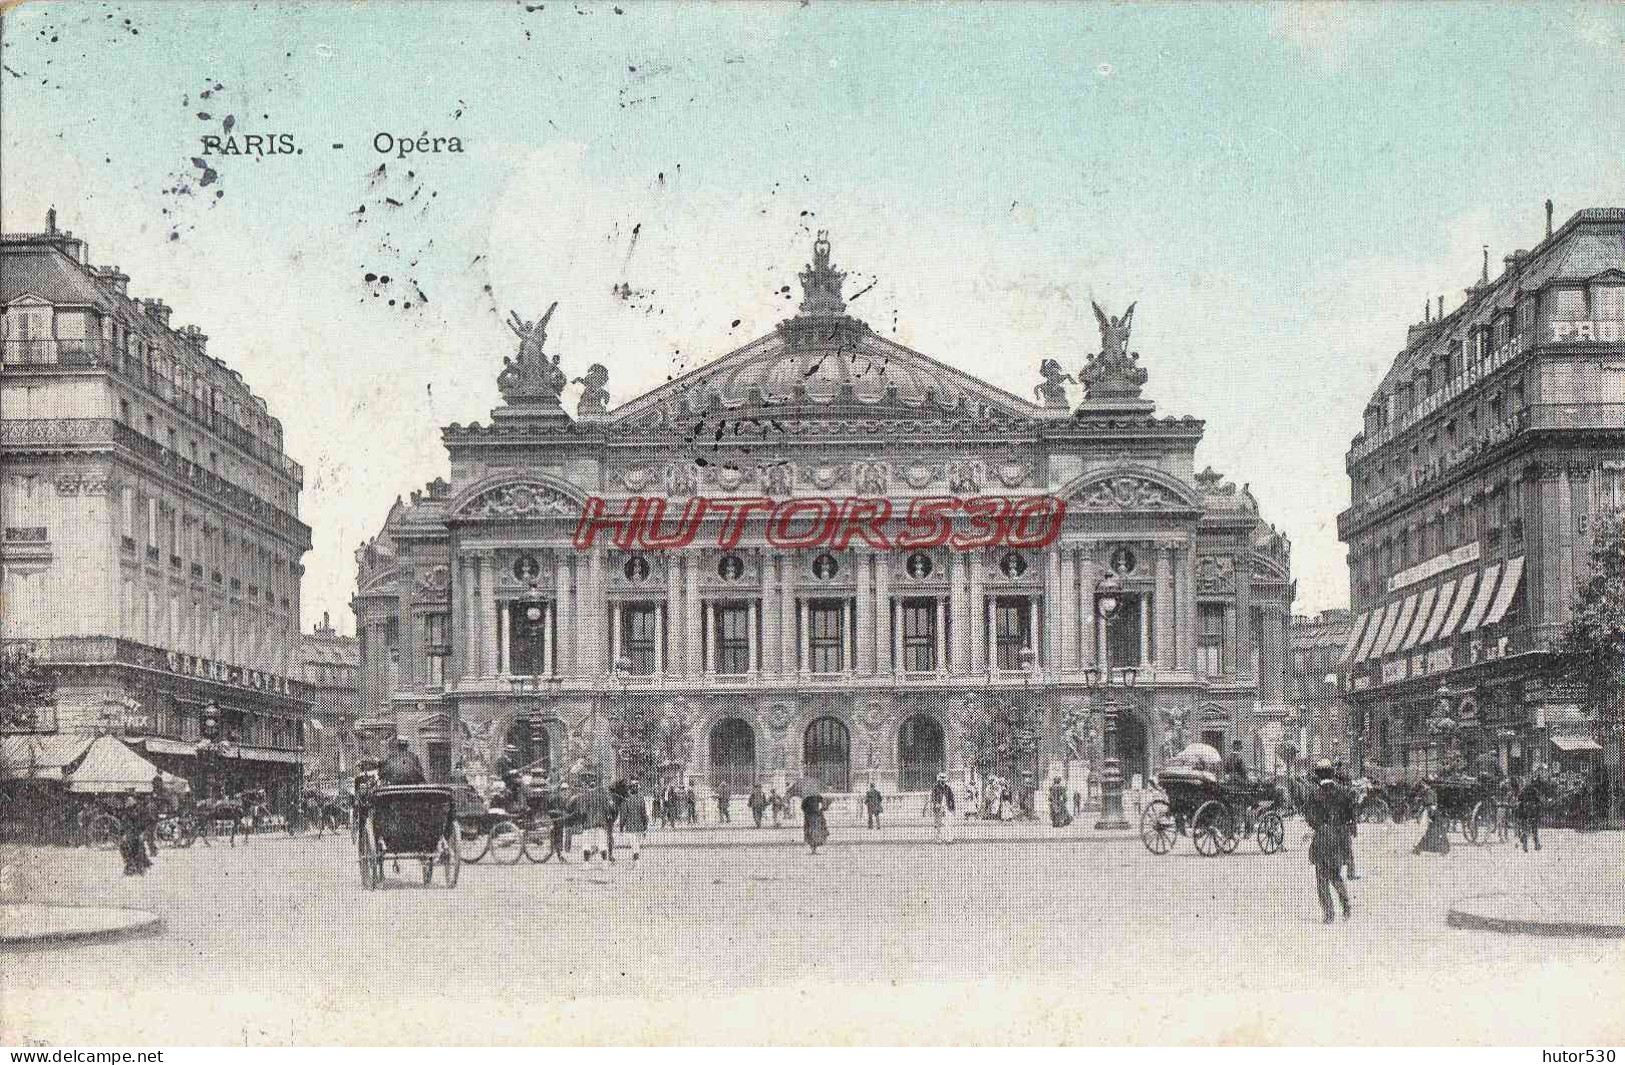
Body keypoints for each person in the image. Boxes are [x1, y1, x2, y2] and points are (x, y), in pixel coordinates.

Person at [1304, 760, 1353, 922]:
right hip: (1339, 838)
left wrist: (1320, 825)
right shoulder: (1344, 792)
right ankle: (1346, 907)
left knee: (1322, 878)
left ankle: (1328, 914)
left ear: (1318, 776)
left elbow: (1310, 817)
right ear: (1333, 774)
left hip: (1323, 838)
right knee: (1336, 875)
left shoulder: (1315, 794)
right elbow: (1350, 816)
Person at [574, 771, 617, 862]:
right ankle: (605, 863)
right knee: (602, 843)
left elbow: (581, 811)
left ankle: (586, 864)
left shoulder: (584, 797)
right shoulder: (603, 795)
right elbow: (611, 808)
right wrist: (609, 817)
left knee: (586, 844)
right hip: (600, 823)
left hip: (588, 824)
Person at [118, 794, 154, 876]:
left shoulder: (140, 810)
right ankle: (131, 865)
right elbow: (124, 824)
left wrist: (143, 832)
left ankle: (140, 866)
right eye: (127, 801)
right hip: (131, 833)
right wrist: (122, 833)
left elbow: (146, 822)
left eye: (130, 801)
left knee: (139, 847)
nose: (129, 803)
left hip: (138, 832)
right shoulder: (127, 812)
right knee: (126, 847)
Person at [1413, 783, 1451, 855]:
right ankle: (1444, 848)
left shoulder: (1429, 793)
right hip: (1434, 813)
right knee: (1436, 833)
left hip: (1432, 813)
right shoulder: (1430, 792)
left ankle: (1420, 848)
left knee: (1433, 833)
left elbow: (1428, 804)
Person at [617, 780, 648, 861]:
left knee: (634, 845)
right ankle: (636, 861)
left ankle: (636, 861)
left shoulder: (626, 799)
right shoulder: (641, 798)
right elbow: (644, 814)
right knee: (636, 844)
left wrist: (621, 827)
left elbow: (623, 815)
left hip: (630, 826)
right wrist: (645, 826)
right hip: (639, 826)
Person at [1516, 775, 1543, 852]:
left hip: (1525, 812)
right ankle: (1537, 845)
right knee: (1534, 830)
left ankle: (1525, 847)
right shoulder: (1534, 790)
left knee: (1525, 829)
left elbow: (1519, 798)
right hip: (1533, 812)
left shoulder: (1524, 789)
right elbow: (1539, 800)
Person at [929, 772, 956, 843]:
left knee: (949, 823)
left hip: (947, 807)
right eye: (941, 779)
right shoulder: (935, 787)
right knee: (938, 824)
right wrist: (936, 804)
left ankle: (949, 838)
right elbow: (933, 797)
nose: (943, 780)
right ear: (939, 780)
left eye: (944, 779)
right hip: (938, 807)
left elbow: (952, 798)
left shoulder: (948, 788)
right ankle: (938, 838)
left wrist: (953, 808)